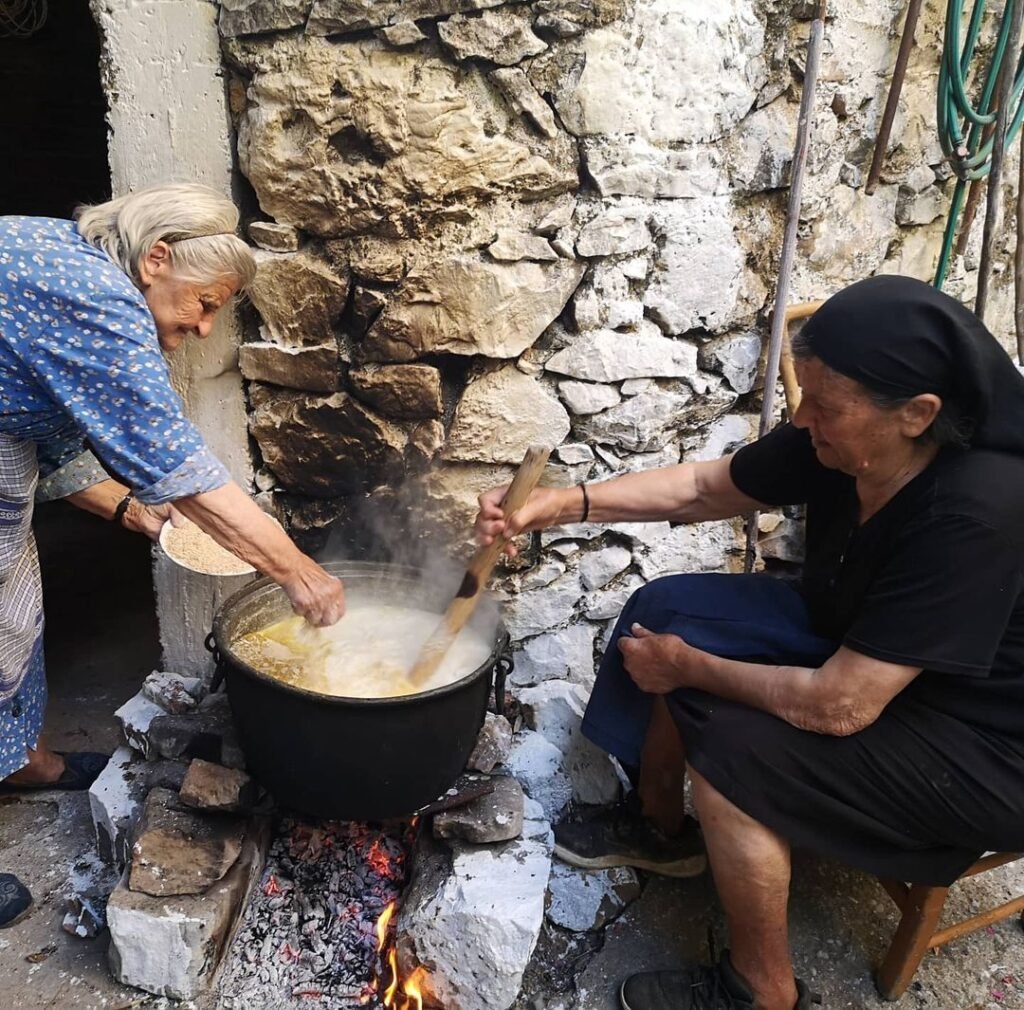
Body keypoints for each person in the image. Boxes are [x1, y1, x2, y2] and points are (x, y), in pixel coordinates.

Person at [475, 275, 1024, 1010]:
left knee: (732, 750)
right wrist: (558, 505)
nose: (802, 417)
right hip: (862, 641)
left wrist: (690, 668)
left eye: (825, 406)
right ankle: (660, 828)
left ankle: (761, 988)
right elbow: (703, 487)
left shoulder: (977, 509)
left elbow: (841, 706)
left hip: (981, 738)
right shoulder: (831, 442)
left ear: (917, 415)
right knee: (663, 611)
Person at [0, 183, 345, 927]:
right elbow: (178, 466)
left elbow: (46, 423)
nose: (202, 324)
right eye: (207, 302)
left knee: (11, 619)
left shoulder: (68, 254)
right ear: (157, 258)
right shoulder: (94, 297)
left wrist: (131, 511)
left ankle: (16, 761)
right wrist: (299, 574)